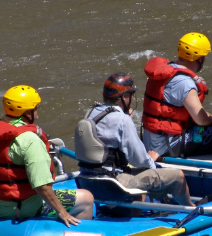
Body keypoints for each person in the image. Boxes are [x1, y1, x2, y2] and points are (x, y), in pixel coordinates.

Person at [0, 85, 94, 227]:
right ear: (28, 112)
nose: (37, 112)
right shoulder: (30, 140)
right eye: (36, 108)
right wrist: (62, 212)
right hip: (20, 208)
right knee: (86, 198)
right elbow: (41, 186)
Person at [75, 73, 197, 207]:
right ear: (124, 97)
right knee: (178, 175)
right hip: (114, 183)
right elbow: (138, 160)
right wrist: (150, 160)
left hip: (86, 180)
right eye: (131, 95)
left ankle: (134, 212)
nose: (132, 98)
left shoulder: (91, 112)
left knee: (136, 172)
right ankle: (191, 209)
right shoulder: (122, 120)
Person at [142, 32, 212, 159]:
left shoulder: (162, 73)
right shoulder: (184, 82)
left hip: (150, 142)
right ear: (199, 58)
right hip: (167, 147)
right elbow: (201, 120)